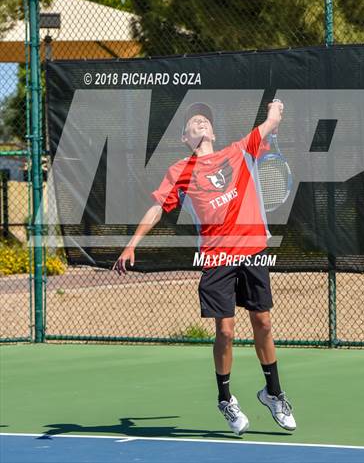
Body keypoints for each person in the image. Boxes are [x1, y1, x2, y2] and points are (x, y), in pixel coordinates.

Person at [113, 100, 296, 436]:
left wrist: (276, 109)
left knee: (263, 322)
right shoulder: (180, 170)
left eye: (204, 120)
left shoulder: (239, 151)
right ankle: (225, 399)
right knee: (225, 331)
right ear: (185, 137)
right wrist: (132, 243)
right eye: (193, 122)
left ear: (212, 131)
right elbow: (156, 208)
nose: (200, 123)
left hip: (252, 250)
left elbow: (271, 122)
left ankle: (273, 393)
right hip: (216, 258)